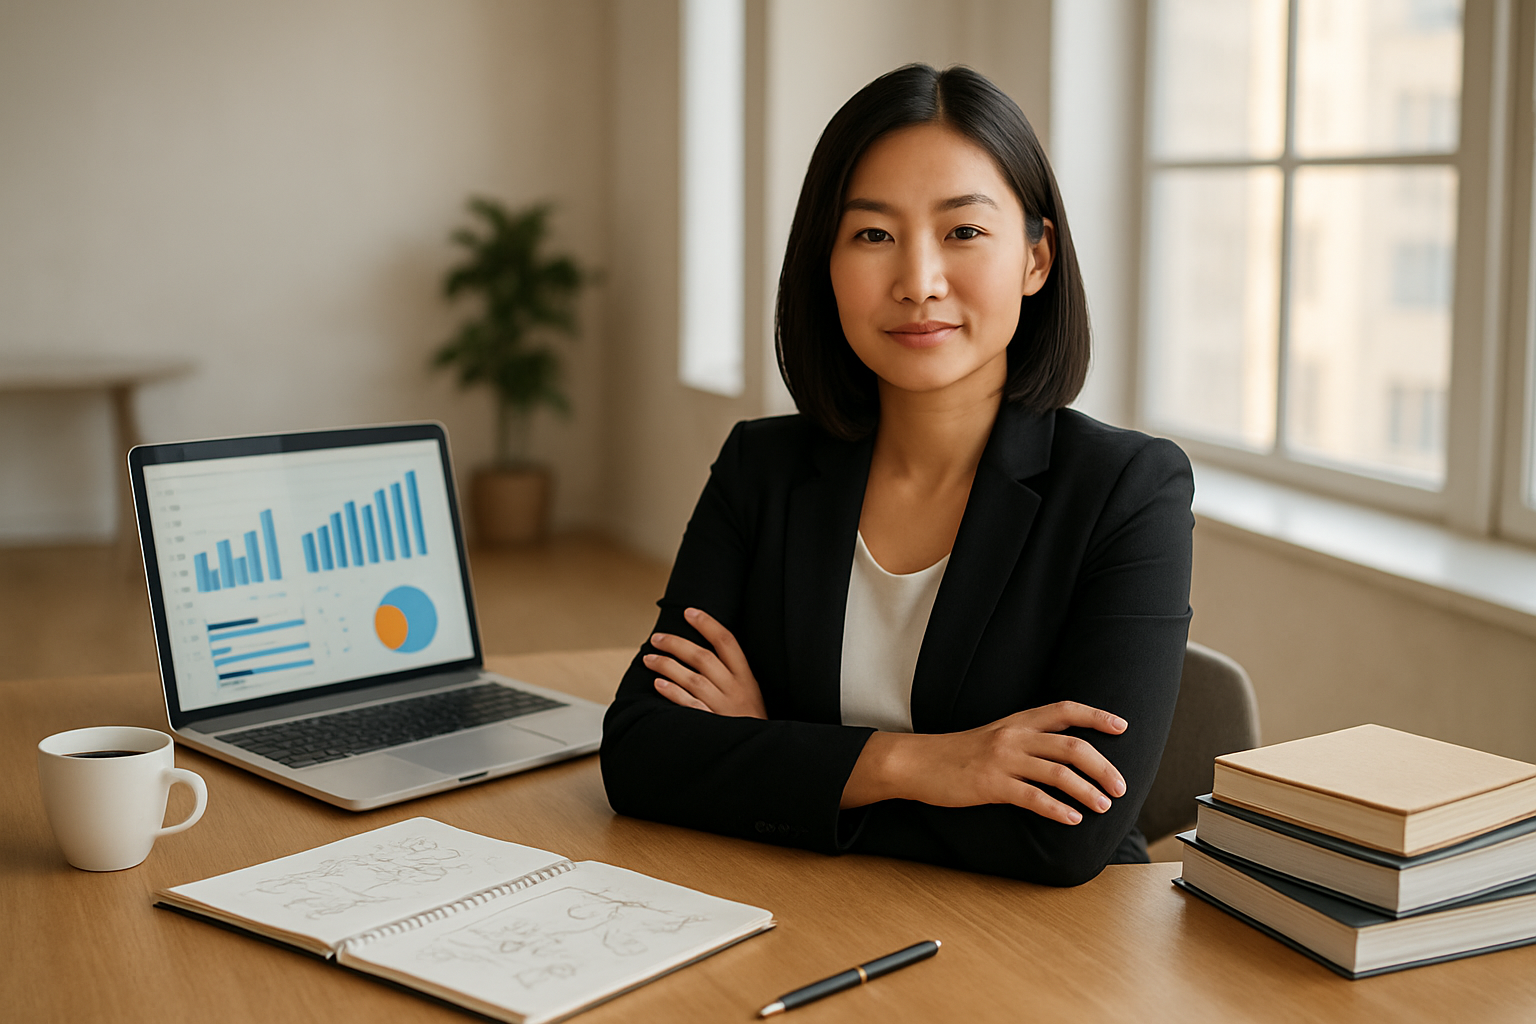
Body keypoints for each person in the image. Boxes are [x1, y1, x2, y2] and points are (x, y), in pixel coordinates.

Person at [600, 63, 1193, 887]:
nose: (918, 283)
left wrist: (772, 751)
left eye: (964, 231)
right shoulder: (760, 468)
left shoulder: (1127, 491)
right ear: (826, 262)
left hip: (1037, 943)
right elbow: (640, 755)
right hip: (805, 913)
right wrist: (920, 764)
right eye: (873, 235)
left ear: (1036, 258)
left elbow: (1062, 837)